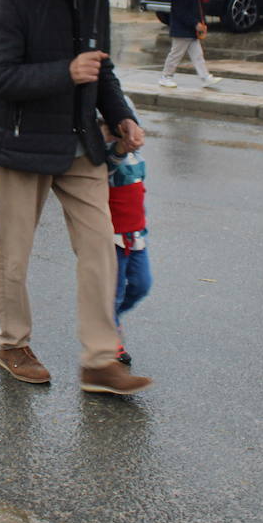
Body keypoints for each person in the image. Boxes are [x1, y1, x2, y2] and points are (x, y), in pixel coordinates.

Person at [0, 0, 153, 395]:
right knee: (15, 253)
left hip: (79, 141)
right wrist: (64, 72)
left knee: (101, 245)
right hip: (19, 143)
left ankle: (100, 358)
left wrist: (120, 115)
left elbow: (102, 68)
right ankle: (14, 343)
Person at [103, 121, 151, 367]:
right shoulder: (106, 157)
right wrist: (119, 147)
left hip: (137, 235)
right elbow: (111, 163)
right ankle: (111, 339)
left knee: (142, 284)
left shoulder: (137, 156)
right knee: (114, 291)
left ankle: (113, 317)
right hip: (114, 239)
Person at [158, 0, 221, 88]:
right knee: (176, 54)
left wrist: (202, 23)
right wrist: (195, 24)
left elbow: (199, 11)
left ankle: (205, 77)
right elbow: (182, 13)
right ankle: (166, 77)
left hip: (191, 31)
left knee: (198, 55)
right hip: (182, 31)